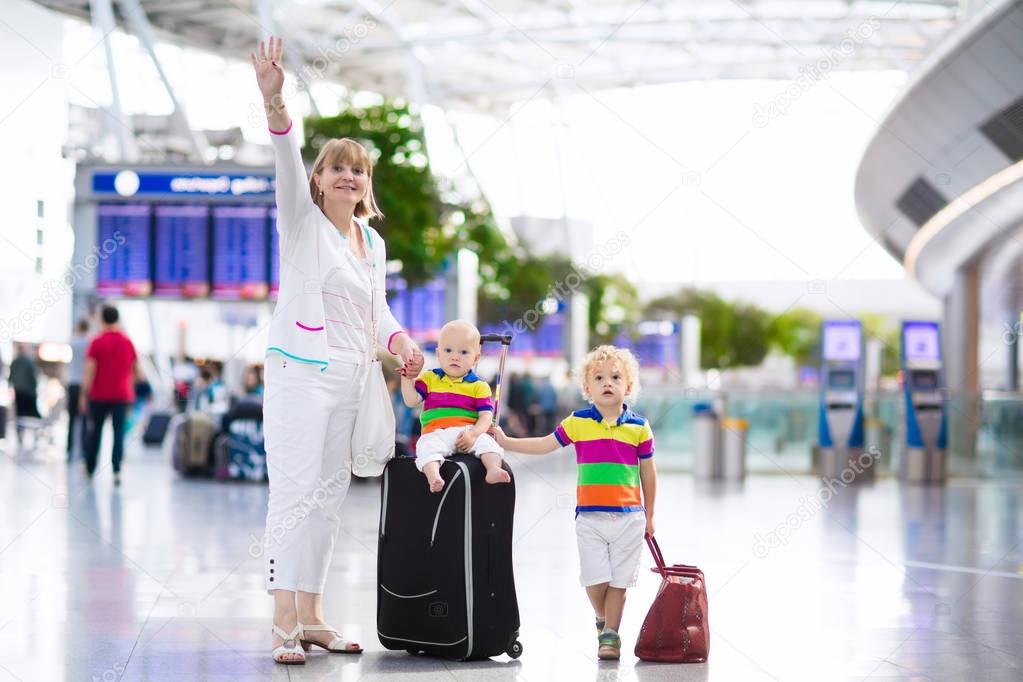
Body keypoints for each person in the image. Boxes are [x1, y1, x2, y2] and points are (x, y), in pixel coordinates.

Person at [251, 36, 424, 665]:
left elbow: (376, 312)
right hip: (300, 372)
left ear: (365, 184)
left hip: (354, 378)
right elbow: (283, 159)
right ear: (319, 180)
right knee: (294, 492)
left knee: (328, 494)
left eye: (358, 169)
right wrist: (276, 103)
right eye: (336, 166)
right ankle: (282, 619)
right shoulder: (301, 222)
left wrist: (401, 342)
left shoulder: (371, 245)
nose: (348, 174)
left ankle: (315, 613)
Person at [491, 345, 657, 661]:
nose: (607, 382)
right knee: (595, 581)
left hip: (630, 516)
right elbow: (544, 445)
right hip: (590, 517)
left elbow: (649, 473)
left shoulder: (639, 427)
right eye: (598, 377)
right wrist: (507, 441)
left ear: (629, 386)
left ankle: (610, 637)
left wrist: (650, 515)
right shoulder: (578, 423)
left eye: (615, 377)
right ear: (587, 388)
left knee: (620, 583)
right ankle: (603, 618)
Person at [400, 320, 510, 492]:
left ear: (476, 358)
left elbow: (486, 417)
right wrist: (407, 378)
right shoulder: (430, 378)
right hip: (435, 433)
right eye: (448, 350)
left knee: (488, 444)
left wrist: (474, 434)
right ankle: (434, 476)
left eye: (464, 352)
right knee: (426, 447)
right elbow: (411, 400)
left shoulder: (479, 386)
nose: (455, 356)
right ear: (438, 354)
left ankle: (493, 469)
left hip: (466, 432)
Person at [80, 305, 142, 485]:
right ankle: (116, 470)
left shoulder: (96, 341)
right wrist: (129, 384)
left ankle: (91, 468)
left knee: (96, 431)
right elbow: (137, 370)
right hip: (122, 395)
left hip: (98, 394)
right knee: (119, 433)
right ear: (117, 319)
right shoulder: (127, 342)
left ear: (102, 320)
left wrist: (84, 394)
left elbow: (90, 370)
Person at [67, 319, 91, 460]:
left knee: (71, 419)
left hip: (72, 383)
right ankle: (83, 450)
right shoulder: (89, 343)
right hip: (85, 385)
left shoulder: (73, 341)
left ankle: (69, 449)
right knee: (84, 419)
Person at [9, 343, 40, 446]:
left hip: (18, 391)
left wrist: (11, 386)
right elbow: (33, 377)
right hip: (28, 392)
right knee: (33, 415)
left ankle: (20, 437)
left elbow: (10, 377)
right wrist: (35, 389)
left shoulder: (15, 361)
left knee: (20, 415)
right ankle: (35, 436)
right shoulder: (28, 361)